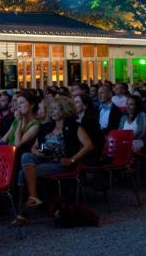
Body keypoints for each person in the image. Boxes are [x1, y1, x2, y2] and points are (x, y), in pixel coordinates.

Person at [14, 95, 93, 223]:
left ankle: (24, 212)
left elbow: (89, 146)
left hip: (61, 162)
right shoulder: (47, 127)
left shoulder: (74, 126)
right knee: (26, 155)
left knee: (22, 174)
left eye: (55, 109)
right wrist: (37, 152)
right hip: (44, 158)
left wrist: (72, 159)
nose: (51, 112)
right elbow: (33, 148)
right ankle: (33, 196)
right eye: (51, 109)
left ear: (64, 110)